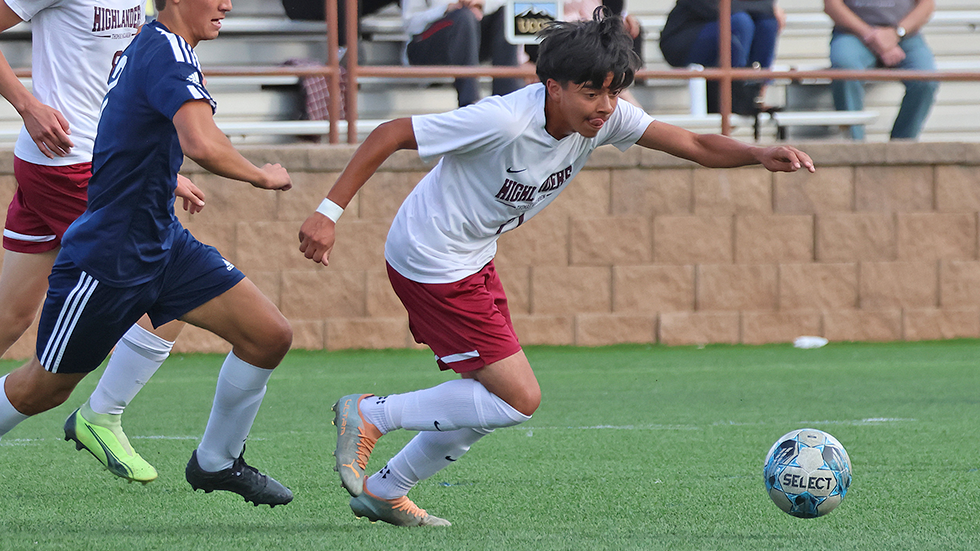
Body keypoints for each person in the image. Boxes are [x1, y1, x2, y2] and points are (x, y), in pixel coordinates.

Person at [298, 8, 814, 527]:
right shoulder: (504, 120)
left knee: (486, 399)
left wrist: (756, 153)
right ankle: (370, 414)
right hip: (431, 258)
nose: (605, 106)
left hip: (473, 257)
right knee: (518, 399)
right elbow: (391, 133)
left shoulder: (606, 117)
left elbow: (696, 144)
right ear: (553, 87)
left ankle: (386, 490)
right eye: (591, 93)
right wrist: (327, 212)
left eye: (613, 92)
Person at [0, 0, 295, 507]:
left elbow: (120, 123)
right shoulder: (166, 51)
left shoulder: (152, 41)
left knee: (269, 335)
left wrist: (159, 173)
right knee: (40, 389)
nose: (227, 4)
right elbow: (200, 141)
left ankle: (216, 461)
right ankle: (102, 415)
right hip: (109, 252)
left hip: (161, 239)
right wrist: (260, 175)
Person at [0, 0, 209, 485]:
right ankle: (102, 415)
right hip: (69, 166)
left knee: (10, 314)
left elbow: (125, 79)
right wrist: (27, 105)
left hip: (85, 162)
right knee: (178, 289)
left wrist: (155, 167)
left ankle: (102, 415)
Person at [824, 0, 938, 140]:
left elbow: (926, 5)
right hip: (853, 34)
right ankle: (854, 146)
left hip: (906, 35)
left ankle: (902, 146)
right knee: (845, 68)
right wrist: (871, 35)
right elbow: (832, 5)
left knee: (926, 78)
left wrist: (896, 33)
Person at [659, 0, 785, 113]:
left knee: (768, 23)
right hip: (682, 41)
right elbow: (717, 7)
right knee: (740, 22)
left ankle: (756, 94)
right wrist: (766, 7)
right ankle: (730, 98)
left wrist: (766, 9)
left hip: (720, 31)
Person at [403, 0, 521, 107]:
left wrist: (482, 4)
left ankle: (507, 103)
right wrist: (445, 9)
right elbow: (410, 24)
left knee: (507, 14)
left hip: (474, 40)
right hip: (425, 46)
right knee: (464, 16)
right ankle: (470, 104)